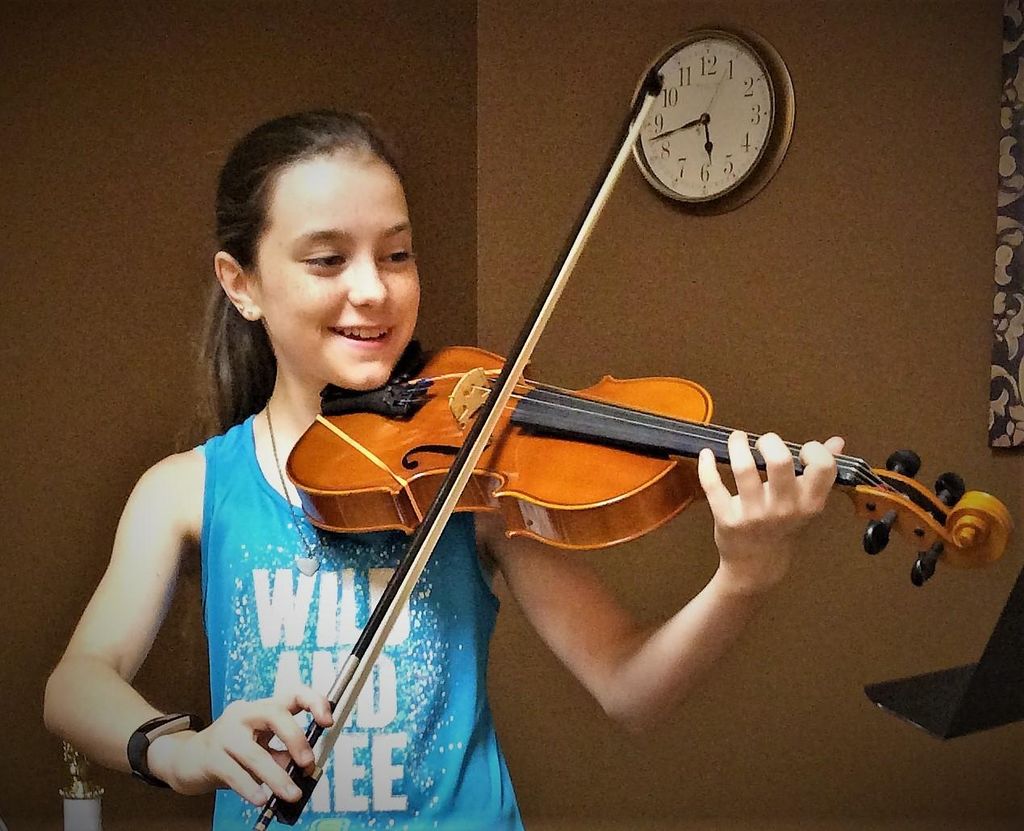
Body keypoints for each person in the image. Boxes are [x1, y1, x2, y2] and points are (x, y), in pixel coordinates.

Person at [44, 110, 844, 830]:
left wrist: (743, 577)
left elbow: (629, 686)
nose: (374, 290)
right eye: (327, 260)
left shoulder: (474, 472)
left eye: (397, 253)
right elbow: (76, 681)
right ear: (242, 284)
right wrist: (178, 751)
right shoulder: (189, 487)